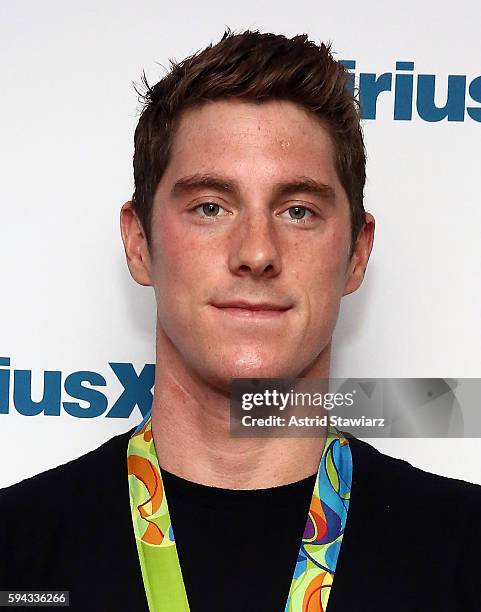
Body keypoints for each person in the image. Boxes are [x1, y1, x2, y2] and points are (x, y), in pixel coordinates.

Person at [0, 28, 480, 612]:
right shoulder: (15, 554)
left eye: (298, 210)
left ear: (357, 252)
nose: (256, 251)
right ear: (139, 243)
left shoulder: (464, 555)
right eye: (210, 206)